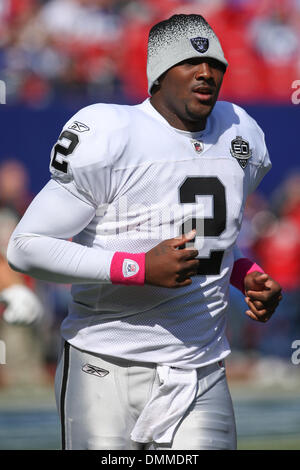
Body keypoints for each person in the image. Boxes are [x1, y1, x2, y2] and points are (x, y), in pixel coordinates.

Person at [7, 14, 282, 450]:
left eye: (216, 64)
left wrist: (243, 273)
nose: (206, 72)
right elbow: (25, 249)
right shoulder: (112, 131)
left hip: (201, 369)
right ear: (159, 73)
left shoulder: (240, 132)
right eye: (191, 62)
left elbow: (212, 233)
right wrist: (137, 266)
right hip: (105, 364)